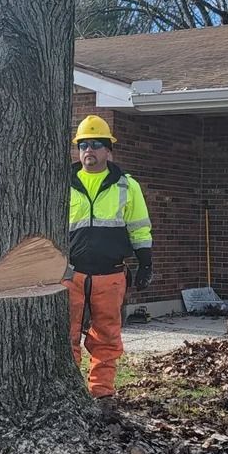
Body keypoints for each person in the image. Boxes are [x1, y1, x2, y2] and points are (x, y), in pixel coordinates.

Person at [63, 114, 153, 407]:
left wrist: (145, 263)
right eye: (84, 144)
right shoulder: (63, 182)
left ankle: (101, 393)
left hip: (111, 275)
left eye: (97, 144)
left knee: (107, 337)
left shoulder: (127, 185)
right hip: (70, 273)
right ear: (78, 150)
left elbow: (139, 227)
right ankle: (69, 391)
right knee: (67, 335)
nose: (89, 150)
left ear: (108, 150)